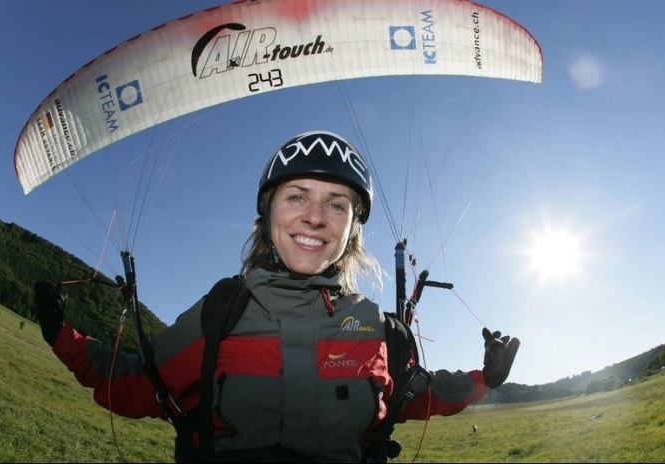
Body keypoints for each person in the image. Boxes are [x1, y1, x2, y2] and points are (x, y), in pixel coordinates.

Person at [35, 129, 520, 463]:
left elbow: (416, 395)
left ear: (351, 231)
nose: (315, 217)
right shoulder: (222, 313)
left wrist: (484, 378)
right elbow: (139, 382)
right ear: (267, 217)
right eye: (297, 196)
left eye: (336, 204)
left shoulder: (376, 329)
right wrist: (63, 337)